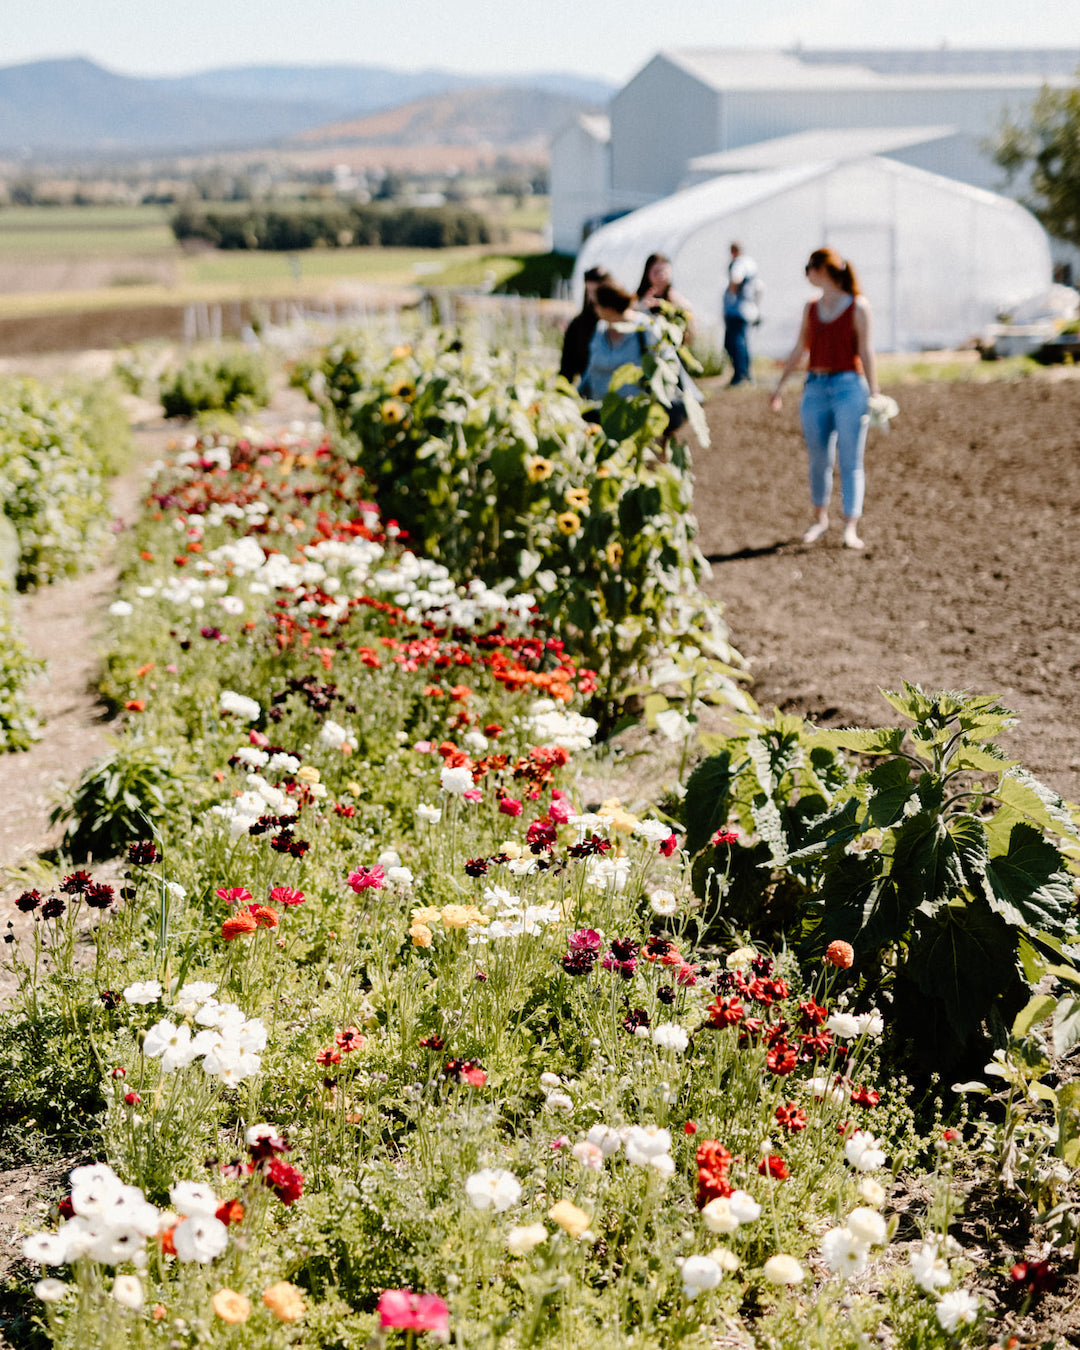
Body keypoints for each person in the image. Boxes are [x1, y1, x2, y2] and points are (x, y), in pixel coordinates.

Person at [769, 246, 880, 550]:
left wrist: (875, 392)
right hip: (815, 387)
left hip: (848, 386)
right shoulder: (811, 307)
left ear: (823, 270)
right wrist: (780, 386)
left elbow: (866, 352)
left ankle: (850, 527)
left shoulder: (858, 307)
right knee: (819, 458)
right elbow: (799, 349)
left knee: (850, 459)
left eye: (810, 267)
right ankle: (820, 519)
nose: (806, 274)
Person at [578, 282, 657, 402]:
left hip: (633, 410)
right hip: (598, 410)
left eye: (596, 305)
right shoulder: (600, 328)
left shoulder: (644, 327)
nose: (594, 309)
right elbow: (590, 370)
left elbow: (658, 367)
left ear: (609, 307)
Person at [560, 266, 611, 383]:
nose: (594, 297)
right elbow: (567, 368)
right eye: (590, 292)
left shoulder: (621, 324)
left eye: (598, 291)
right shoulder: (578, 325)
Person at [723, 241, 760, 386]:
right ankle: (745, 373)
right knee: (742, 342)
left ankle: (740, 374)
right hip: (747, 308)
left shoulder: (739, 264)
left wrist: (732, 293)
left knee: (735, 342)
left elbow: (736, 279)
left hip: (737, 309)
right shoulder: (750, 263)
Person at [634, 253, 694, 342]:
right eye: (657, 271)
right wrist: (641, 306)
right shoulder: (638, 298)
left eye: (664, 271)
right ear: (648, 272)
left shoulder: (676, 298)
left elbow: (689, 330)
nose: (661, 275)